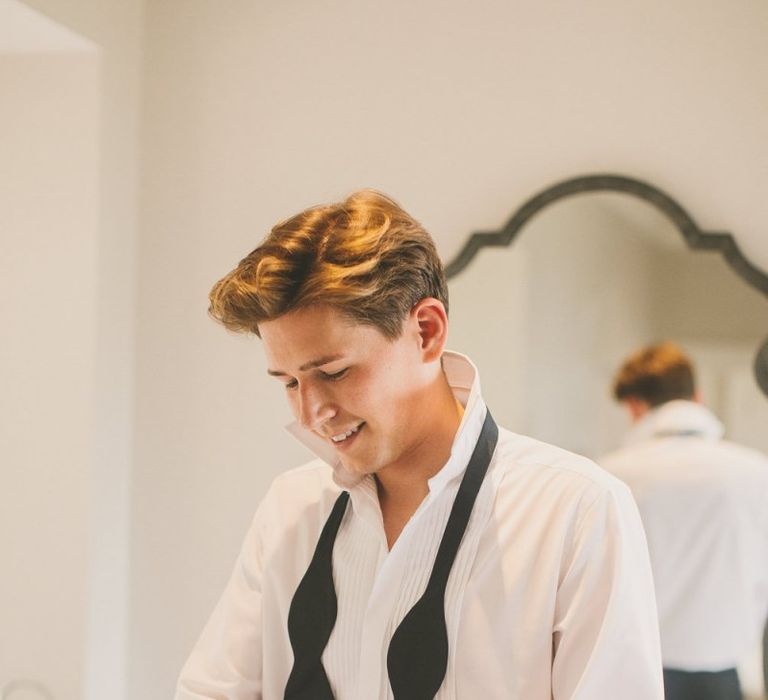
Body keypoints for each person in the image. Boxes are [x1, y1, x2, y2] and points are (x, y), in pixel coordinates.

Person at [175, 190, 663, 700]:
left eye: (335, 372)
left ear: (426, 331)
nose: (310, 414)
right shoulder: (290, 507)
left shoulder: (574, 511)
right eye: (289, 382)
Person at [600, 342, 768, 700]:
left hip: (638, 670)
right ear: (698, 396)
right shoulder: (757, 473)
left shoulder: (610, 475)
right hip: (724, 668)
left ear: (633, 405)